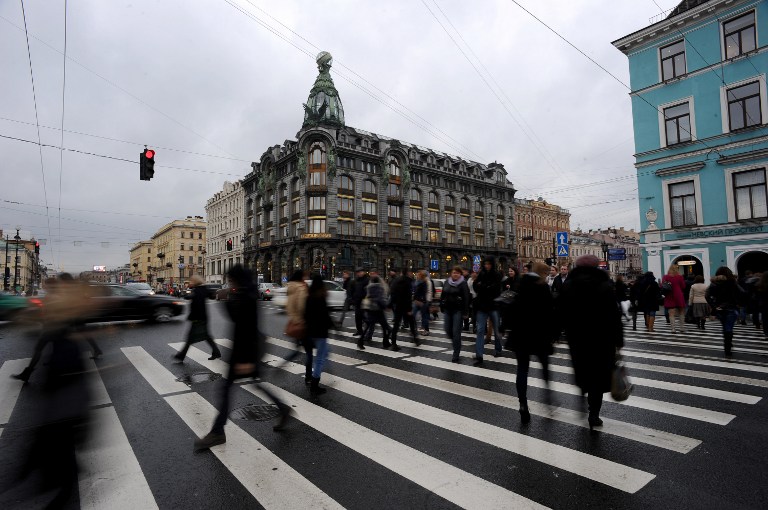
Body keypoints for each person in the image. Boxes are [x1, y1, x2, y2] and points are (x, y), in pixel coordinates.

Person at [195, 265, 291, 451]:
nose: (229, 282)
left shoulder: (246, 297)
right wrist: (226, 299)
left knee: (226, 389)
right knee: (253, 383)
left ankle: (217, 432)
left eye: (231, 278)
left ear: (237, 279)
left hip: (245, 350)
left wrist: (246, 360)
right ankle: (283, 408)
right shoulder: (244, 293)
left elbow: (245, 328)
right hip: (244, 350)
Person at [559, 255, 623, 430]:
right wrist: (619, 339)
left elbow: (561, 311)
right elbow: (613, 314)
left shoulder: (569, 284)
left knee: (582, 371)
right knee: (598, 377)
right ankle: (593, 414)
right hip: (601, 339)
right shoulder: (604, 284)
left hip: (577, 338)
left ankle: (582, 396)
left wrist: (558, 332)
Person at [506, 262, 557, 424]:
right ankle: (548, 397)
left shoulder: (519, 284)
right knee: (544, 367)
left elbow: (510, 308)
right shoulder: (543, 288)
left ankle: (523, 404)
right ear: (542, 273)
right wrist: (554, 334)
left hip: (520, 334)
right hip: (539, 335)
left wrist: (506, 327)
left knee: (522, 370)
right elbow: (550, 312)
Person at [174, 275, 222, 362]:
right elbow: (211, 296)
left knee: (191, 338)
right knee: (205, 336)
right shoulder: (202, 289)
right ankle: (216, 352)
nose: (190, 283)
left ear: (196, 282)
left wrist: (187, 296)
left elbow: (196, 300)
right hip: (202, 317)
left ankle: (181, 355)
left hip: (198, 318)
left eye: (191, 281)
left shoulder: (197, 290)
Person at [304, 275, 335, 394]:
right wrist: (334, 327)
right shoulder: (321, 297)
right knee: (320, 359)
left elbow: (305, 315)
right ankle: (314, 384)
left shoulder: (309, 297)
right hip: (321, 333)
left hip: (310, 333)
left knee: (324, 353)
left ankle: (312, 378)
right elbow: (325, 316)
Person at [706, 266, 745, 357]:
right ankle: (728, 346)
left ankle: (728, 343)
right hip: (731, 308)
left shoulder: (714, 283)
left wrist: (714, 306)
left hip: (719, 309)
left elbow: (707, 296)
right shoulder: (732, 282)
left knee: (725, 326)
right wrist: (738, 302)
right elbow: (742, 293)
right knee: (729, 327)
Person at [472, 258, 503, 365]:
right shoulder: (482, 274)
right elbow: (475, 286)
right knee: (480, 330)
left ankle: (498, 348)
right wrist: (485, 287)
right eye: (485, 264)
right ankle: (479, 356)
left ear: (492, 264)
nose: (486, 266)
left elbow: (496, 289)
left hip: (493, 305)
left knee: (496, 328)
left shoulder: (497, 275)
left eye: (488, 264)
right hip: (482, 306)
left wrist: (483, 287)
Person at [284, 270, 310, 383]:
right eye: (305, 276)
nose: (306, 278)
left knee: (298, 349)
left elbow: (288, 306)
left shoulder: (290, 287)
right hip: (302, 323)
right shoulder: (300, 288)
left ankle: (282, 364)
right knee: (309, 352)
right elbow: (302, 306)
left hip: (294, 321)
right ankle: (309, 376)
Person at [440, 266, 470, 363]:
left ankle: (456, 353)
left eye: (457, 273)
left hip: (458, 310)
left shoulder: (463, 283)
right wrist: (441, 305)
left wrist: (465, 312)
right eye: (454, 272)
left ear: (460, 274)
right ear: (451, 273)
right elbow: (443, 294)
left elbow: (466, 298)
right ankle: (457, 343)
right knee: (448, 330)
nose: (455, 274)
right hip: (448, 310)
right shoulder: (447, 282)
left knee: (456, 332)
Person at [390, 268, 418, 348]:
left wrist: (391, 304)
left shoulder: (396, 281)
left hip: (398, 305)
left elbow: (392, 293)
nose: (411, 273)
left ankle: (393, 342)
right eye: (410, 272)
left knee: (396, 324)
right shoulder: (408, 281)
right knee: (412, 323)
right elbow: (408, 296)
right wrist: (409, 308)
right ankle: (415, 338)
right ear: (407, 273)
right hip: (405, 306)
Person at [361, 275, 392, 348]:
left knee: (368, 326)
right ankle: (385, 342)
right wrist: (385, 307)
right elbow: (380, 299)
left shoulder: (369, 287)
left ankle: (360, 341)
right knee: (387, 328)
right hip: (378, 310)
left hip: (370, 309)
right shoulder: (379, 288)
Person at [662, 264, 687, 333]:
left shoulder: (665, 277)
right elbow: (683, 286)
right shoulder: (680, 277)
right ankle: (682, 328)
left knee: (671, 313)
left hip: (669, 295)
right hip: (678, 295)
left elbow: (662, 286)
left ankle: (673, 329)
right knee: (681, 312)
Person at [351, 268, 369, 336]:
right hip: (357, 302)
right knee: (357, 318)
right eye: (358, 272)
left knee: (365, 318)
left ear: (363, 272)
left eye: (360, 272)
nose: (359, 273)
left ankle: (367, 331)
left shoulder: (367, 280)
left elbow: (368, 291)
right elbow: (353, 290)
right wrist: (353, 299)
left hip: (364, 302)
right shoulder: (356, 281)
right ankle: (359, 331)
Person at [413, 270, 430, 335]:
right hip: (417, 301)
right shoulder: (418, 282)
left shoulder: (424, 283)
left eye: (418, 275)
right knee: (413, 315)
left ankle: (426, 330)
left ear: (421, 276)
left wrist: (421, 301)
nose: (417, 275)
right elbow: (416, 292)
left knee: (424, 316)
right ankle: (413, 329)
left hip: (422, 302)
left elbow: (424, 292)